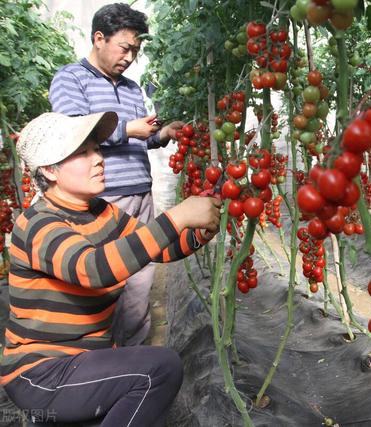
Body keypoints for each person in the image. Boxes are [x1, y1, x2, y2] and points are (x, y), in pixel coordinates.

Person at [1, 111, 222, 426]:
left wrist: (200, 232)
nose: (98, 159)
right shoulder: (37, 224)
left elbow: (159, 248)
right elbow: (93, 269)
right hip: (42, 373)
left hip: (84, 362)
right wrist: (177, 217)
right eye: (83, 153)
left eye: (96, 148)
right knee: (159, 370)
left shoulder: (101, 213)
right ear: (50, 170)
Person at [49, 3, 183, 346]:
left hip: (140, 193)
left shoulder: (132, 88)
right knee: (103, 283)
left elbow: (141, 139)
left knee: (140, 282)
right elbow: (72, 131)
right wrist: (127, 129)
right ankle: (97, 361)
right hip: (103, 198)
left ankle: (132, 357)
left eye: (135, 51)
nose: (130, 57)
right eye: (125, 48)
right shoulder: (70, 78)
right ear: (99, 38)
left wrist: (161, 135)